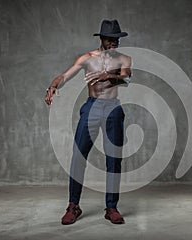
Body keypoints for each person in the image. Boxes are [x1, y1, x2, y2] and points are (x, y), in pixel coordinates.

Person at [45, 19, 131, 225]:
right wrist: (53, 85)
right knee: (78, 156)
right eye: (111, 39)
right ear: (102, 38)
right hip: (92, 106)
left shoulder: (123, 59)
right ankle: (73, 206)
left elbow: (126, 77)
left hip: (112, 107)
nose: (114, 43)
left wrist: (106, 74)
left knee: (114, 159)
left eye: (117, 40)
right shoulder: (87, 58)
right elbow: (64, 76)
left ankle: (112, 207)